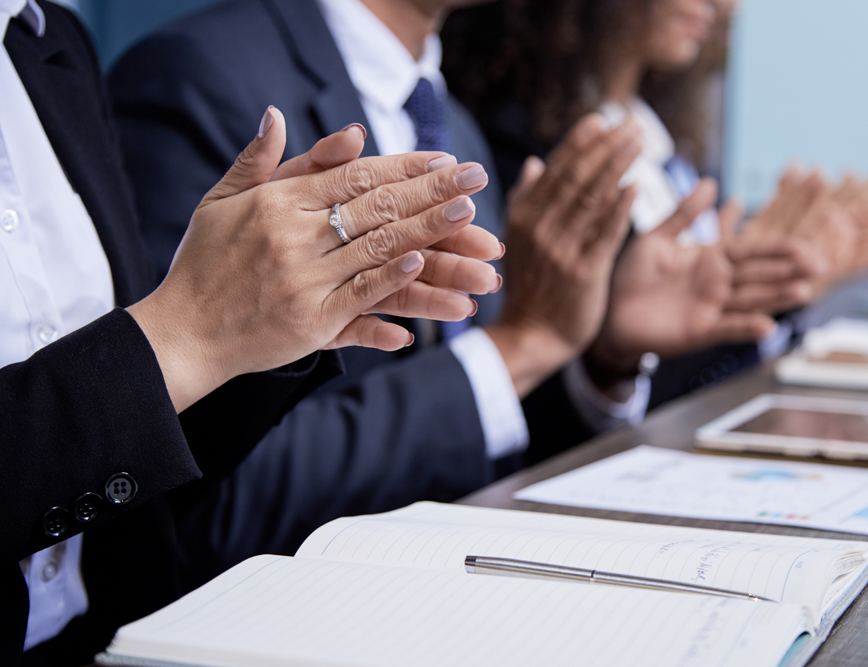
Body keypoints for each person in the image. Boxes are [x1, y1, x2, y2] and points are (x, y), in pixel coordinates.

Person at [108, 0, 691, 585]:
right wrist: (518, 349)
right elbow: (198, 499)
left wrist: (601, 356)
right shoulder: (199, 75)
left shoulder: (451, 123)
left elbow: (477, 429)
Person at [0, 0, 503, 662]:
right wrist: (184, 333)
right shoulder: (195, 67)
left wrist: (262, 336)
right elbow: (161, 352)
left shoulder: (47, 44)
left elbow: (142, 470)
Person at [442, 0, 868, 404]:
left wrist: (774, 287)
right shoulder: (519, 144)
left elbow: (674, 343)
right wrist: (620, 354)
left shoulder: (663, 144)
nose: (727, 8)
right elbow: (556, 390)